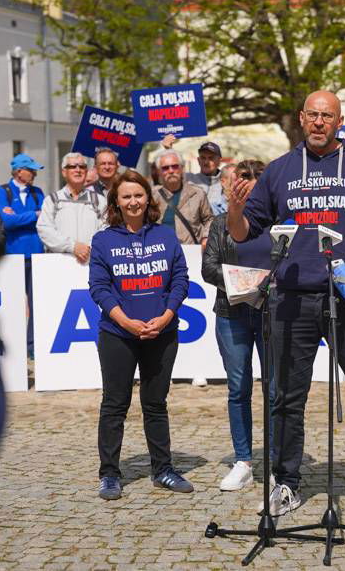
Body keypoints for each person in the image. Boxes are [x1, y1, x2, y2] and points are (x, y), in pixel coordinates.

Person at [227, 90, 345, 526]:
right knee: (287, 399)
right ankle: (286, 482)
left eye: (327, 116)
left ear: (340, 121)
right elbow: (244, 232)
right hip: (292, 298)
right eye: (313, 115)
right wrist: (234, 208)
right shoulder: (280, 169)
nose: (319, 122)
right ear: (301, 118)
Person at [89, 170, 193, 500]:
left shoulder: (165, 236)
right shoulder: (103, 241)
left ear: (148, 198)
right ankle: (109, 474)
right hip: (117, 334)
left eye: (138, 195)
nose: (133, 201)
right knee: (114, 404)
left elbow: (180, 280)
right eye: (126, 197)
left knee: (155, 403)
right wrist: (127, 323)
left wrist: (164, 318)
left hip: (162, 333)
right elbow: (100, 288)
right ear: (116, 203)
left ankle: (163, 469)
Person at [202, 160, 275, 491]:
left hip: (271, 313)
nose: (252, 182)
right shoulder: (220, 224)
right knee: (238, 387)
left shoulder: (279, 221)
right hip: (232, 313)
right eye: (245, 177)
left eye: (259, 177)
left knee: (275, 390)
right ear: (234, 184)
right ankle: (243, 460)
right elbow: (208, 268)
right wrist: (245, 282)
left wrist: (265, 285)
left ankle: (277, 461)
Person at [0, 153, 45, 358]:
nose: (33, 174)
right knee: (13, 303)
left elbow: (44, 218)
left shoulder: (37, 192)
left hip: (36, 254)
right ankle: (13, 347)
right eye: (30, 170)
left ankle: (31, 346)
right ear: (18, 171)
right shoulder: (2, 191)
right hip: (12, 256)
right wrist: (33, 215)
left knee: (35, 303)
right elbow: (6, 222)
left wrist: (19, 217)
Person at [37, 152, 106, 265]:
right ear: (64, 172)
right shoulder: (52, 200)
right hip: (60, 265)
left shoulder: (99, 200)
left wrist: (88, 247)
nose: (78, 170)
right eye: (72, 166)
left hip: (92, 263)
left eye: (82, 166)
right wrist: (72, 246)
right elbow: (44, 230)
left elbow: (106, 228)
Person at [152, 149, 214, 246]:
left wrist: (206, 237)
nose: (171, 171)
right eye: (165, 168)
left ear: (182, 169)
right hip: (162, 252)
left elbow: (209, 219)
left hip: (191, 252)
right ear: (159, 172)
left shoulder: (197, 193)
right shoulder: (152, 196)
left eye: (175, 166)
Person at [162, 135, 228, 215]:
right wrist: (168, 149)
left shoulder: (227, 181)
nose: (206, 162)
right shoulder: (188, 179)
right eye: (203, 158)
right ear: (198, 160)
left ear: (219, 161)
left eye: (211, 158)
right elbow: (172, 170)